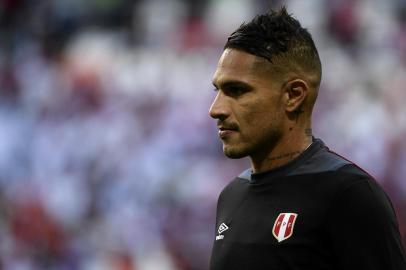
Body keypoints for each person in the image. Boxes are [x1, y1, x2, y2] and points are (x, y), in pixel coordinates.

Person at [208, 7, 406, 270]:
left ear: (293, 95)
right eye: (218, 90)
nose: (216, 109)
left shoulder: (349, 195)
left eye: (237, 90)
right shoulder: (231, 196)